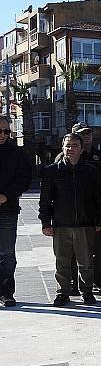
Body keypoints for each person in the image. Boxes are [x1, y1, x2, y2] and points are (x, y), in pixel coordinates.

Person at [40, 133, 101, 306]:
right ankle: (63, 292)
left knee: (86, 261)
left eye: (75, 145)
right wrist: (46, 222)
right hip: (61, 225)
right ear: (63, 147)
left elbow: (99, 198)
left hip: (85, 224)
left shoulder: (91, 171)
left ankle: (87, 291)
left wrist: (100, 220)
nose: (71, 149)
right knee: (62, 261)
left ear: (82, 149)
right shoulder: (52, 171)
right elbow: (45, 200)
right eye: (68, 145)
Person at [55, 122, 101, 295]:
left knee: (99, 251)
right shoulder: (62, 158)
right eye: (82, 134)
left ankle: (99, 281)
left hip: (96, 211)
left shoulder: (100, 156)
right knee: (71, 253)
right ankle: (72, 284)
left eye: (89, 133)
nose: (87, 136)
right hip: (72, 215)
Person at [0, 117, 32, 307]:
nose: (3, 135)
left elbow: (24, 178)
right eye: (0, 131)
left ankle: (6, 292)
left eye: (6, 131)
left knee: (7, 254)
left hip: (8, 210)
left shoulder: (17, 153)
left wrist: (7, 196)